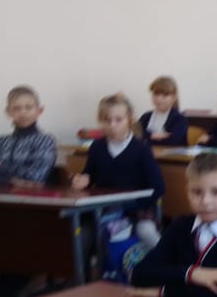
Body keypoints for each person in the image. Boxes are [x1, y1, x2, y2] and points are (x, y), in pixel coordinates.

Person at [129, 153, 217, 297]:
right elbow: (140, 274)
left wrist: (162, 292)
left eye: (216, 192)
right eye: (197, 192)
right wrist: (192, 274)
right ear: (187, 192)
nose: (206, 201)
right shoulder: (180, 226)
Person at [71, 93, 165, 247]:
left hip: (136, 211)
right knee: (82, 236)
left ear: (130, 119)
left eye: (118, 120)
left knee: (146, 231)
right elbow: (89, 176)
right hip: (104, 211)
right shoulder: (97, 147)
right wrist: (81, 180)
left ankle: (165, 260)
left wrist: (131, 206)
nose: (112, 125)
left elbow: (158, 187)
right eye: (107, 120)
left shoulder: (141, 149)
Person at [0, 85, 57, 187]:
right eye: (16, 108)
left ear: (39, 110)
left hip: (29, 196)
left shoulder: (45, 141)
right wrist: (15, 181)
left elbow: (37, 176)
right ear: (8, 112)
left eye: (28, 107)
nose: (23, 113)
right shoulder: (2, 142)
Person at [138, 75, 189, 147]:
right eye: (156, 94)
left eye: (165, 95)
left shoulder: (180, 119)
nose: (159, 99)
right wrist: (152, 135)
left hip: (170, 154)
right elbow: (134, 135)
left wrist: (146, 137)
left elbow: (172, 142)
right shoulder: (146, 116)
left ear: (174, 97)